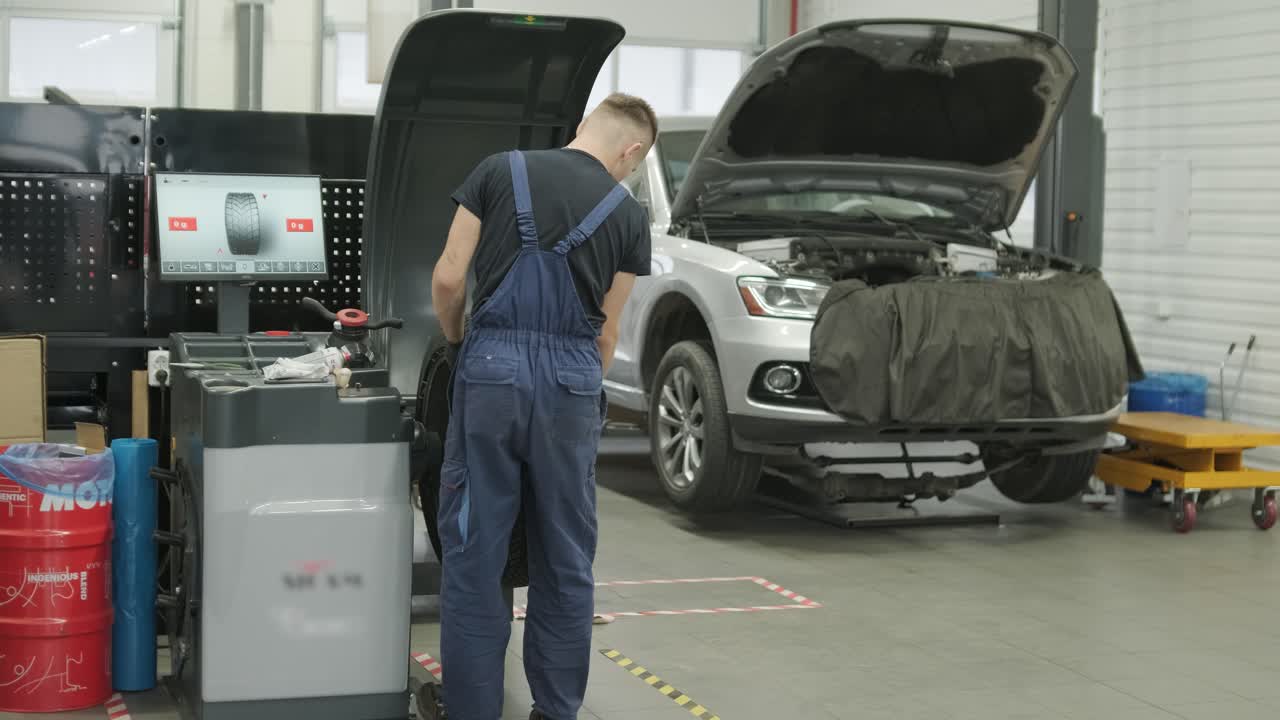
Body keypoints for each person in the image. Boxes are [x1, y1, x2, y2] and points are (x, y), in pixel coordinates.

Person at [419, 93, 657, 720]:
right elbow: (607, 333)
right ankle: (555, 711)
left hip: (491, 369)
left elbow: (448, 279)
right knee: (564, 556)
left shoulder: (499, 170)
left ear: (585, 129)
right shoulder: (629, 216)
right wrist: (571, 385)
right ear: (630, 151)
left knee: (476, 553)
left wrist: (458, 342)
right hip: (574, 382)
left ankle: (471, 710)